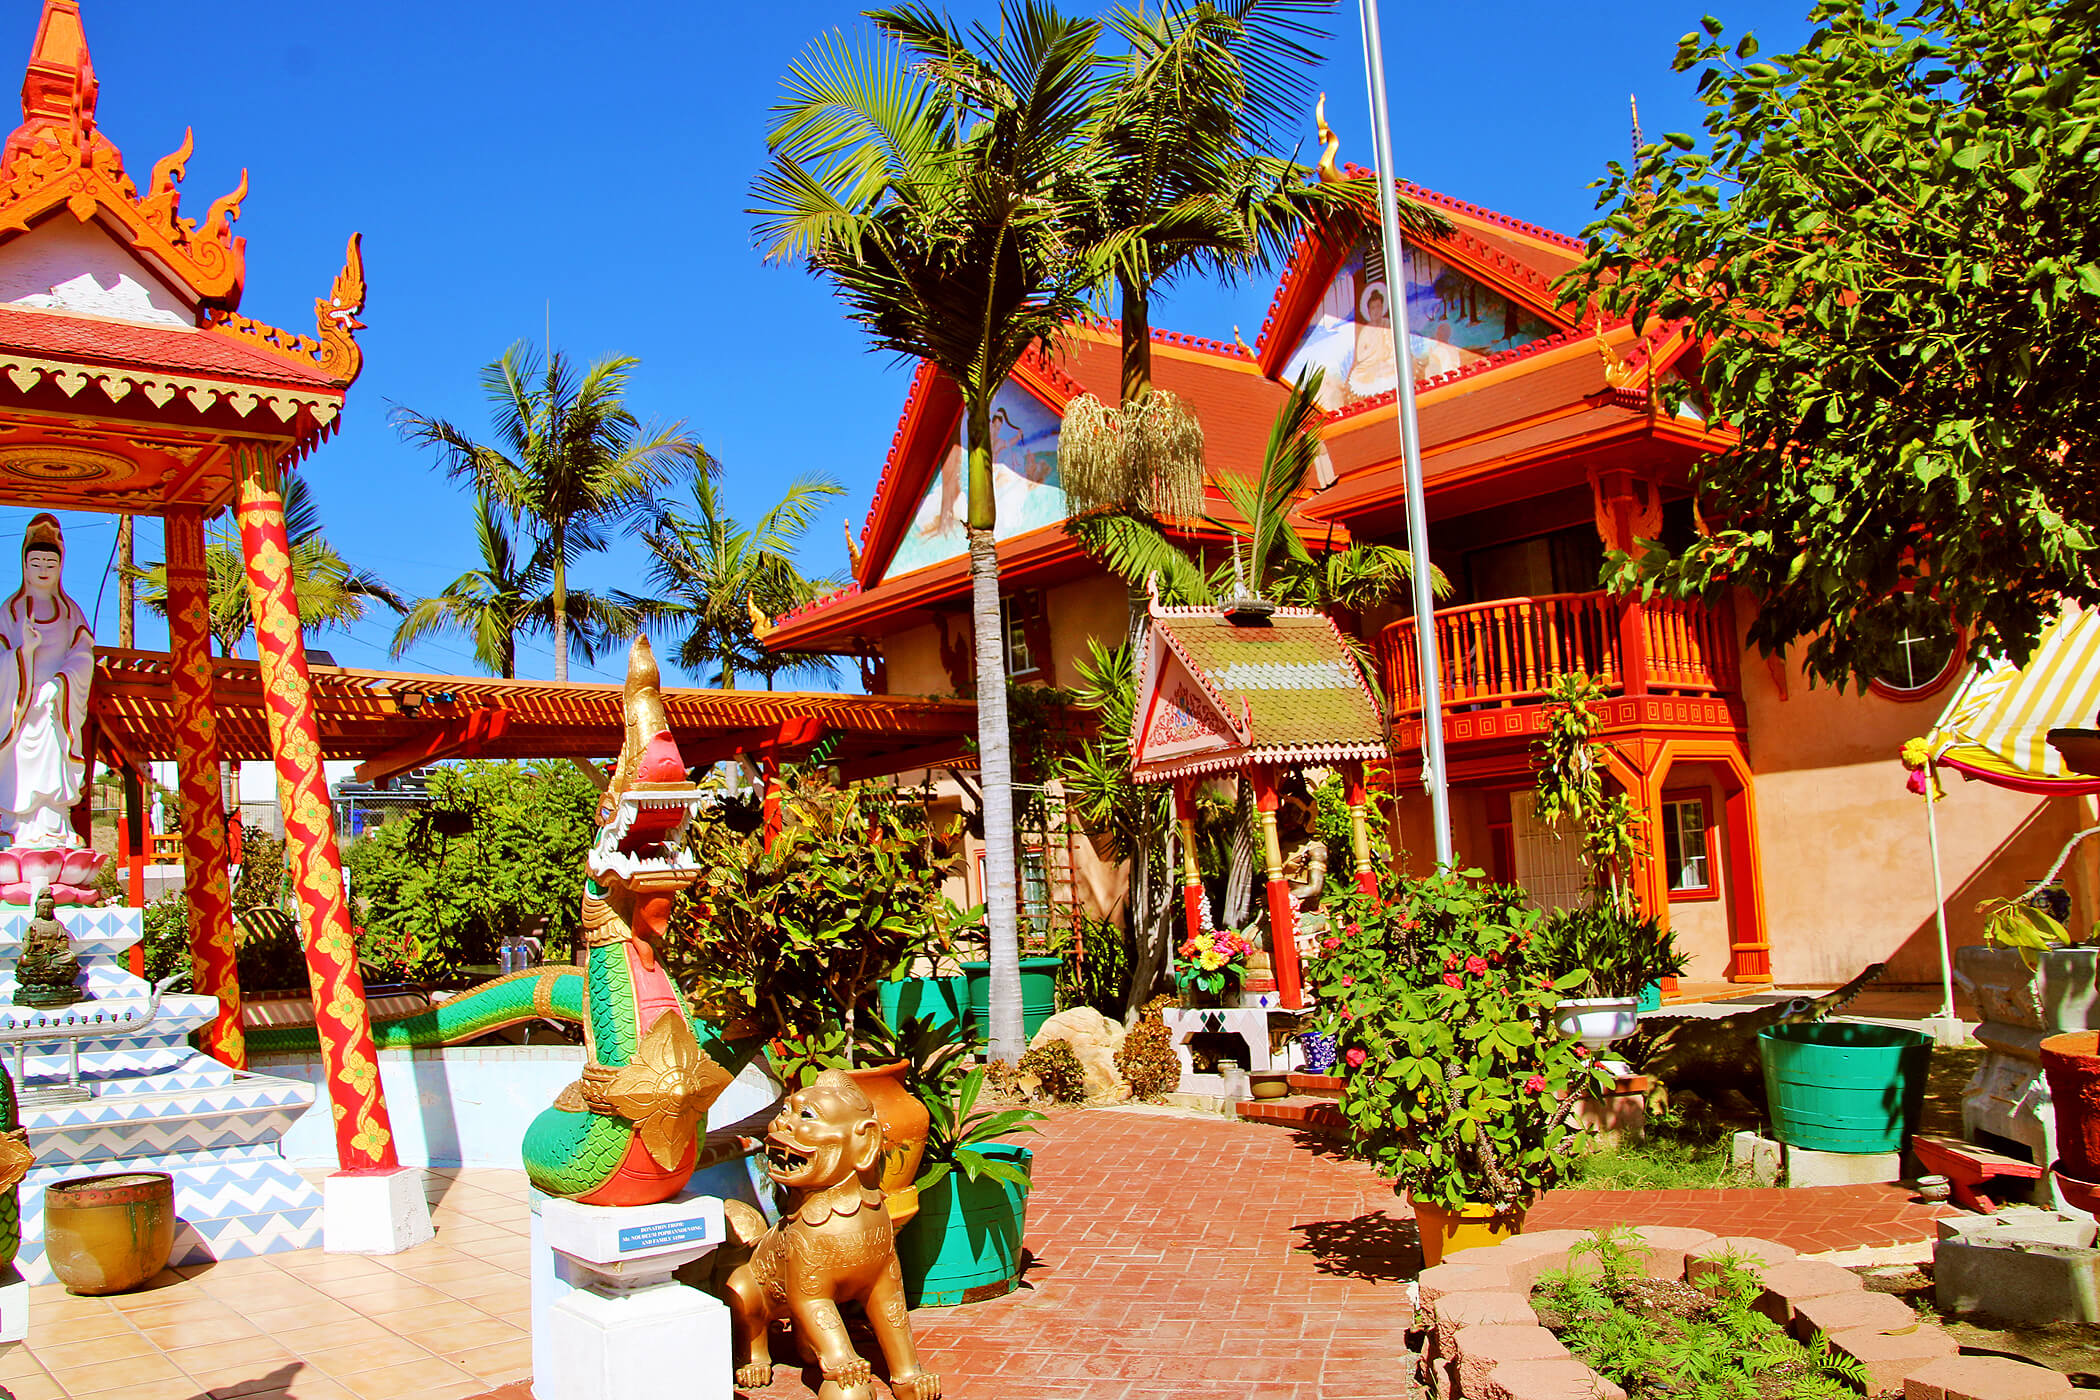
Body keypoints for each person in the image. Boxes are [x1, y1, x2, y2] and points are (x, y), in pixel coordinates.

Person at [0, 514, 93, 850]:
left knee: (54, 761)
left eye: (50, 563)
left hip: (56, 705)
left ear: (60, 566)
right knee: (17, 765)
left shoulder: (69, 611)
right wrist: (24, 652)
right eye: (36, 562)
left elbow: (83, 655)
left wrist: (61, 683)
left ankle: (54, 824)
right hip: (19, 707)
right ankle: (15, 826)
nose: (42, 569)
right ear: (24, 566)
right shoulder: (10, 610)